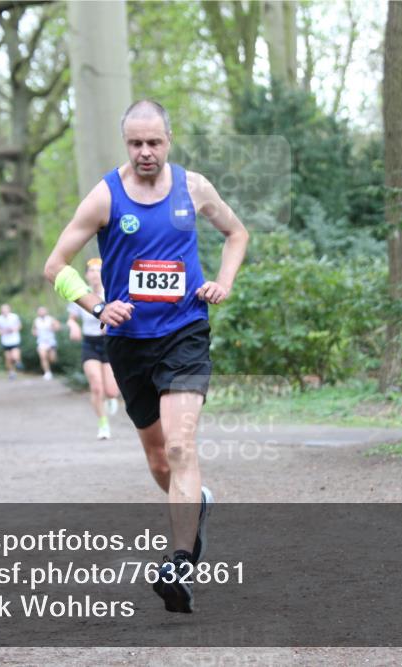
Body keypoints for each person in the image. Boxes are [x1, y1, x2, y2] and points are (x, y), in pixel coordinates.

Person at [44, 99, 248, 613]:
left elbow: (236, 233)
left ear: (169, 140)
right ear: (125, 144)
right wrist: (96, 305)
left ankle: (180, 564)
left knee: (181, 447)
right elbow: (55, 266)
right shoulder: (105, 197)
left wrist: (222, 283)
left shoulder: (194, 188)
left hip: (184, 333)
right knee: (159, 459)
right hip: (129, 344)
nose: (145, 152)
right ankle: (196, 504)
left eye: (154, 142)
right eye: (135, 143)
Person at [66, 258, 121, 440]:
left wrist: (112, 325)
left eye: (99, 270)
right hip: (89, 344)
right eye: (92, 271)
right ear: (87, 275)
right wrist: (73, 326)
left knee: (111, 391)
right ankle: (103, 424)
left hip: (109, 344)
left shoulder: (111, 292)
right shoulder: (81, 294)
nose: (95, 274)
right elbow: (71, 318)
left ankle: (112, 398)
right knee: (96, 387)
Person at [0, 303, 23, 380]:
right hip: (5, 341)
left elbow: (20, 326)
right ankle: (11, 372)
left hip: (14, 340)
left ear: (9, 309)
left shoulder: (14, 316)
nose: (4, 311)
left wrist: (14, 329)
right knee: (8, 359)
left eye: (6, 309)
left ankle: (18, 362)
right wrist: (3, 331)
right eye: (3, 309)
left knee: (14, 356)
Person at [32, 306, 60, 380]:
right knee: (43, 357)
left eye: (42, 311)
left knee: (52, 359)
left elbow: (58, 327)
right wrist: (35, 333)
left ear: (46, 311)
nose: (41, 312)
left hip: (51, 341)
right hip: (41, 342)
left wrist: (53, 328)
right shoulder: (36, 320)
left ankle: (53, 369)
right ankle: (47, 373)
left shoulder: (50, 319)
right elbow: (33, 330)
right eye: (40, 311)